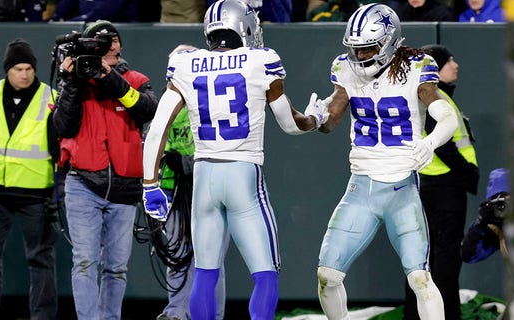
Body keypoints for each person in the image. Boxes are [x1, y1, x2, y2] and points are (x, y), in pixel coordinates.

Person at [141, 1, 328, 319]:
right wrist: (315, 117)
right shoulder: (261, 61)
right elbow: (289, 124)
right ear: (244, 26)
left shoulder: (187, 63)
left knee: (204, 274)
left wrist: (149, 184)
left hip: (204, 178)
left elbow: (158, 127)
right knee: (265, 275)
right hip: (243, 176)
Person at [314, 4, 458, 320]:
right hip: (360, 186)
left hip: (400, 188)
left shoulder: (417, 67)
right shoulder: (345, 69)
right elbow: (330, 121)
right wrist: (311, 118)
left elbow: (446, 116)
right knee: (327, 275)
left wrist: (431, 140)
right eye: (356, 49)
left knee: (420, 278)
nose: (361, 56)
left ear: (389, 41)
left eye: (369, 48)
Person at [52, 20, 158, 319]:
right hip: (83, 183)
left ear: (120, 45)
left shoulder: (135, 80)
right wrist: (71, 83)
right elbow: (62, 127)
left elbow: (148, 109)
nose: (110, 45)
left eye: (114, 40)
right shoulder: (75, 81)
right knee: (85, 261)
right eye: (102, 42)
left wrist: (112, 80)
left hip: (124, 187)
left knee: (116, 267)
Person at [0, 38, 59, 320]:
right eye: (18, 68)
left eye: (29, 68)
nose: (24, 74)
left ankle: (43, 315)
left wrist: (59, 190)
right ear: (7, 69)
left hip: (35, 192)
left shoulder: (51, 98)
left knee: (41, 259)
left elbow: (59, 149)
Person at [403, 44, 479, 320]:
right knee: (444, 261)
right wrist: (468, 173)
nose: (455, 64)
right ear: (436, 67)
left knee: (421, 261)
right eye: (449, 60)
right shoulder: (436, 100)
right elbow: (444, 146)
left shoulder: (435, 96)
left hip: (431, 188)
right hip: (443, 190)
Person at [154, 44, 228, 320]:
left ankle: (210, 315)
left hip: (208, 190)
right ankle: (175, 313)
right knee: (178, 255)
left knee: (209, 260)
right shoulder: (165, 103)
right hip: (173, 189)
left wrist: (185, 162)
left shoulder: (214, 103)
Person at [461, 168, 510, 263]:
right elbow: (468, 255)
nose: (504, 207)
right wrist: (480, 223)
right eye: (499, 203)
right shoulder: (495, 226)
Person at [47, 0, 140, 22]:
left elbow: (102, 14)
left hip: (124, 36)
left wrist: (70, 22)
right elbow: (62, 10)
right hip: (91, 34)